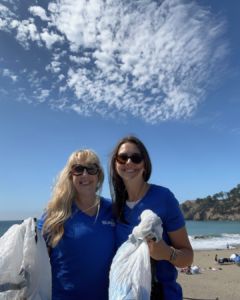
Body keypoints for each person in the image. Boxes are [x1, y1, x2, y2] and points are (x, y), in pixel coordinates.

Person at [109, 136, 193, 300]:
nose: (129, 162)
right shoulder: (114, 207)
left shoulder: (164, 198)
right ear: (115, 164)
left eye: (136, 158)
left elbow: (188, 257)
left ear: (145, 165)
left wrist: (168, 253)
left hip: (162, 295)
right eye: (122, 157)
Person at [38, 150, 115, 300]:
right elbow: (37, 260)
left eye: (91, 168)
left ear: (98, 175)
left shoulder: (113, 210)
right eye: (78, 169)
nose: (84, 175)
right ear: (70, 176)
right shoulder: (55, 212)